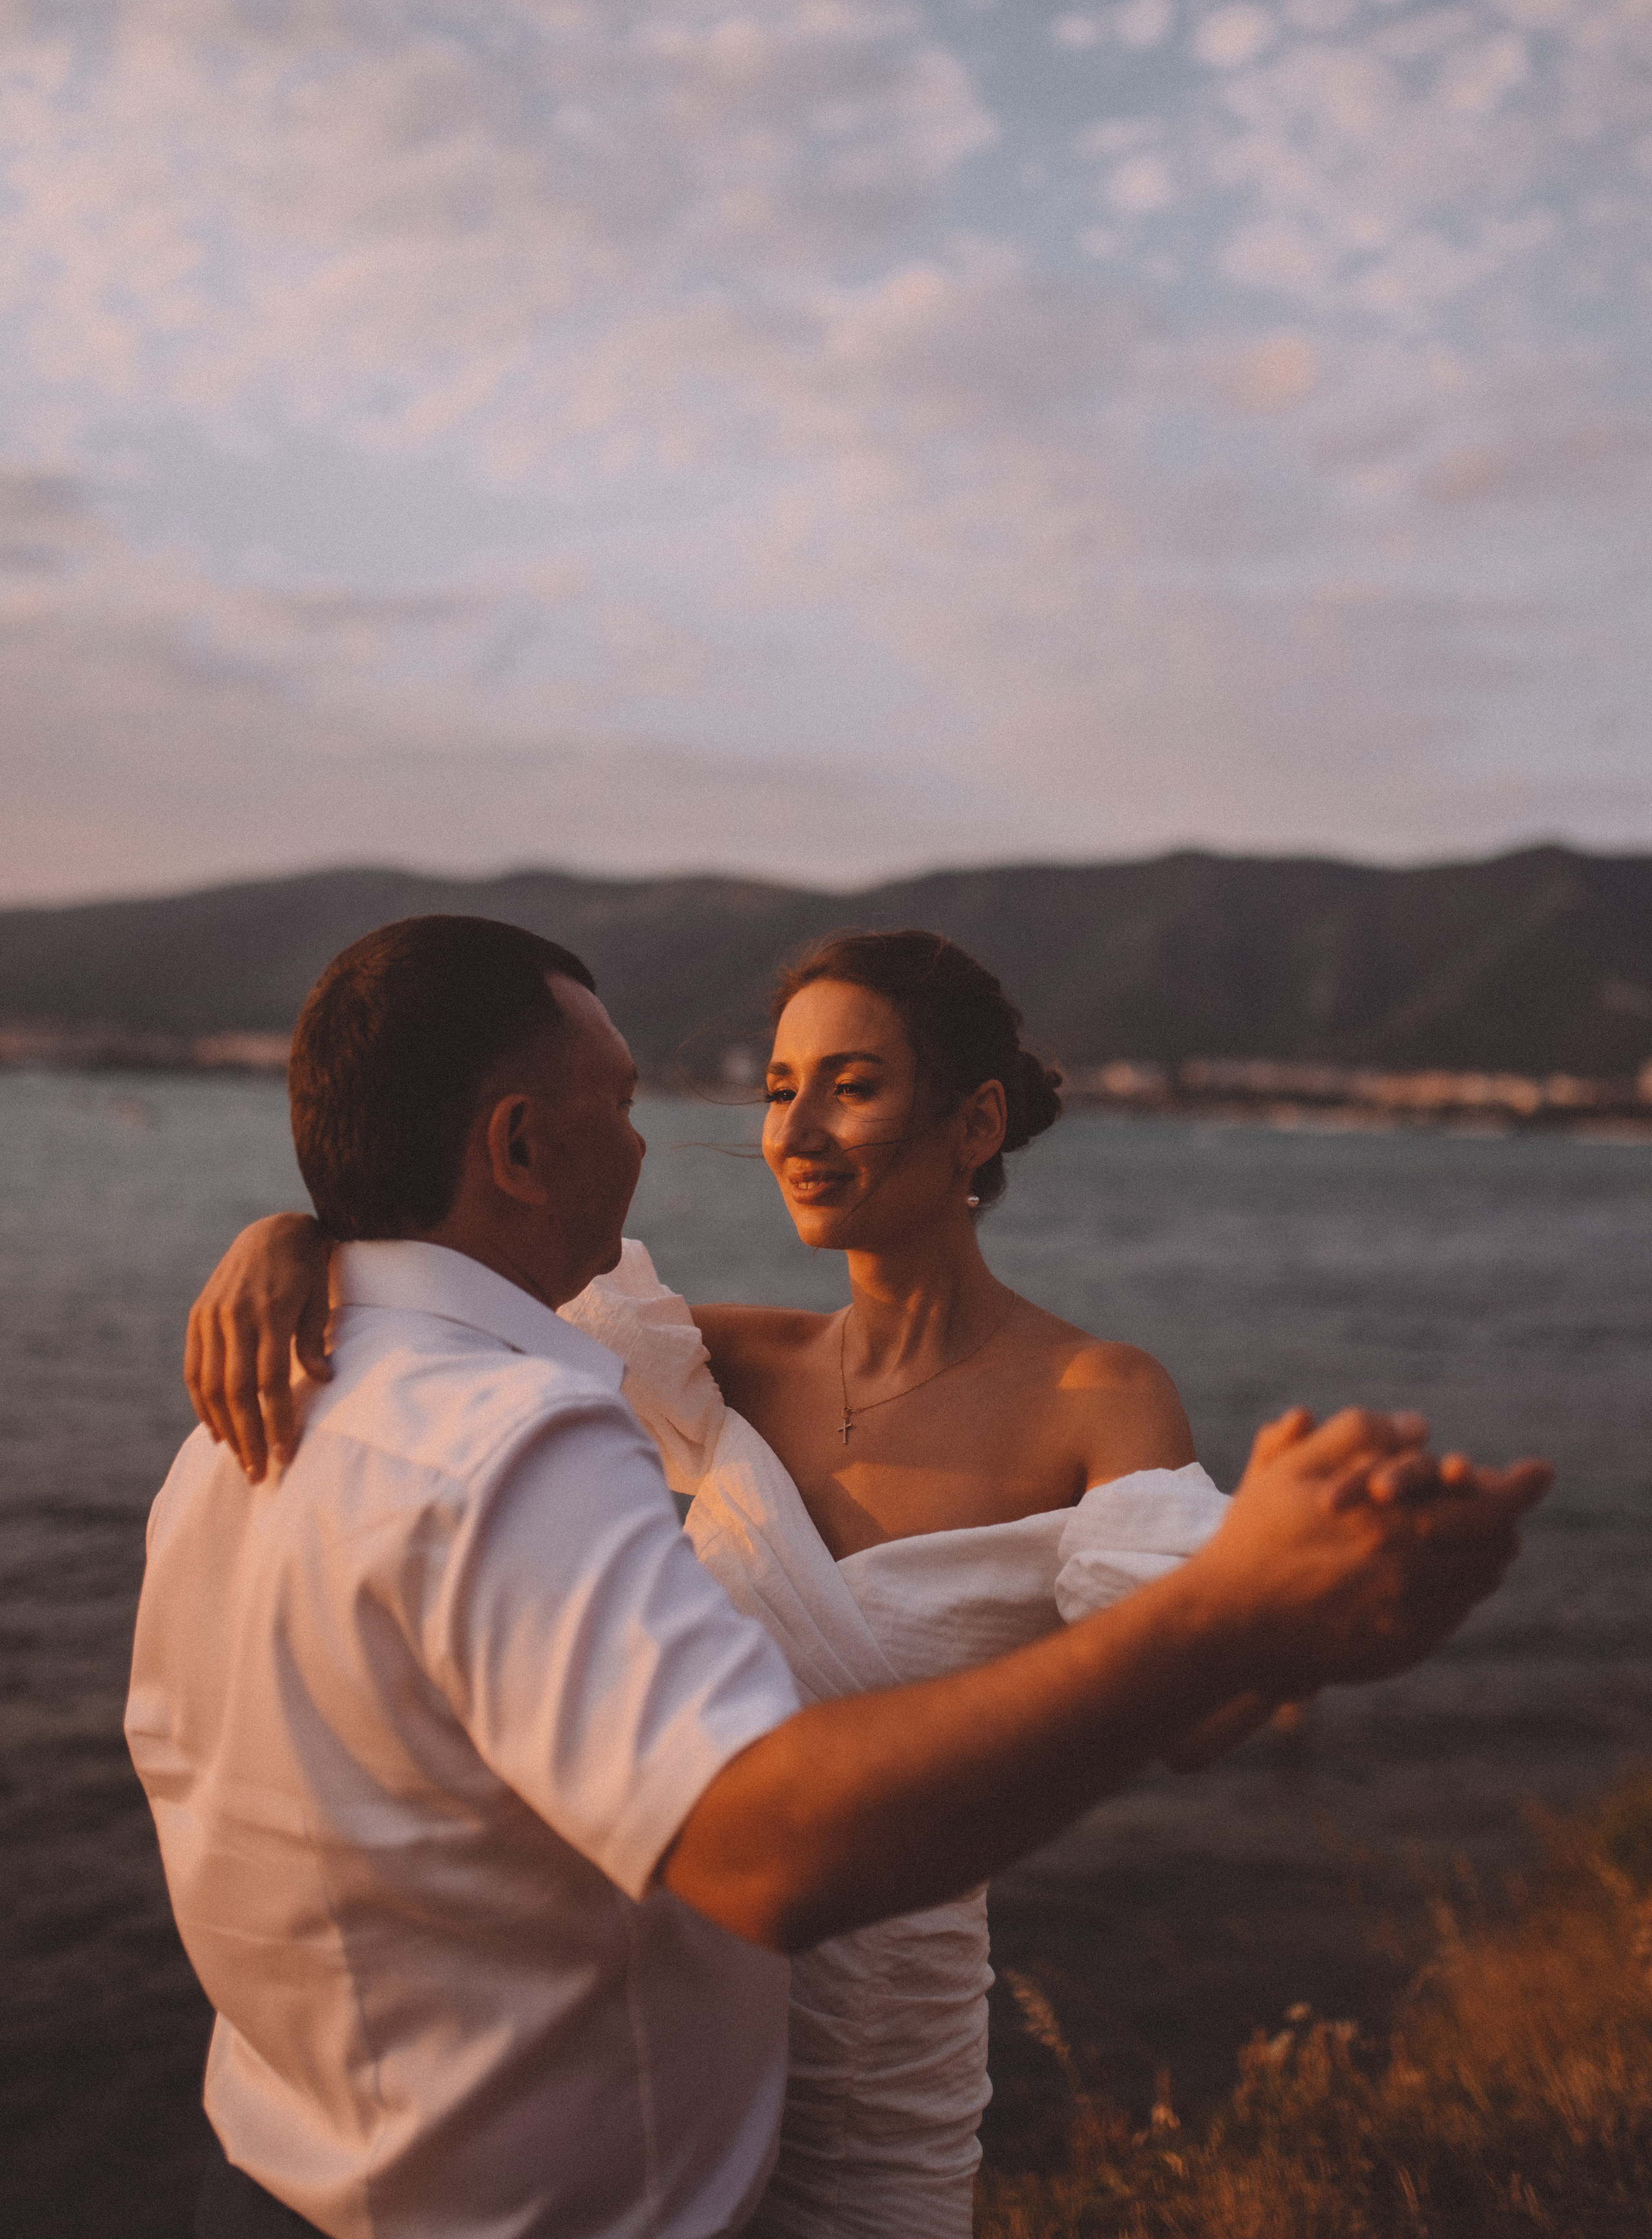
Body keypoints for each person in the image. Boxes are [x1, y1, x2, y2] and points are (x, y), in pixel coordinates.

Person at [157, 914, 1550, 2239]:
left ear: (975, 1124)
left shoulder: (1095, 1395)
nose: (795, 1131)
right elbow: (456, 1273)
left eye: (851, 1086)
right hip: (649, 2079)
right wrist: (295, 1241)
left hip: (875, 2074)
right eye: (779, 1090)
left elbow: (1188, 1711)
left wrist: (1304, 1622)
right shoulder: (712, 1361)